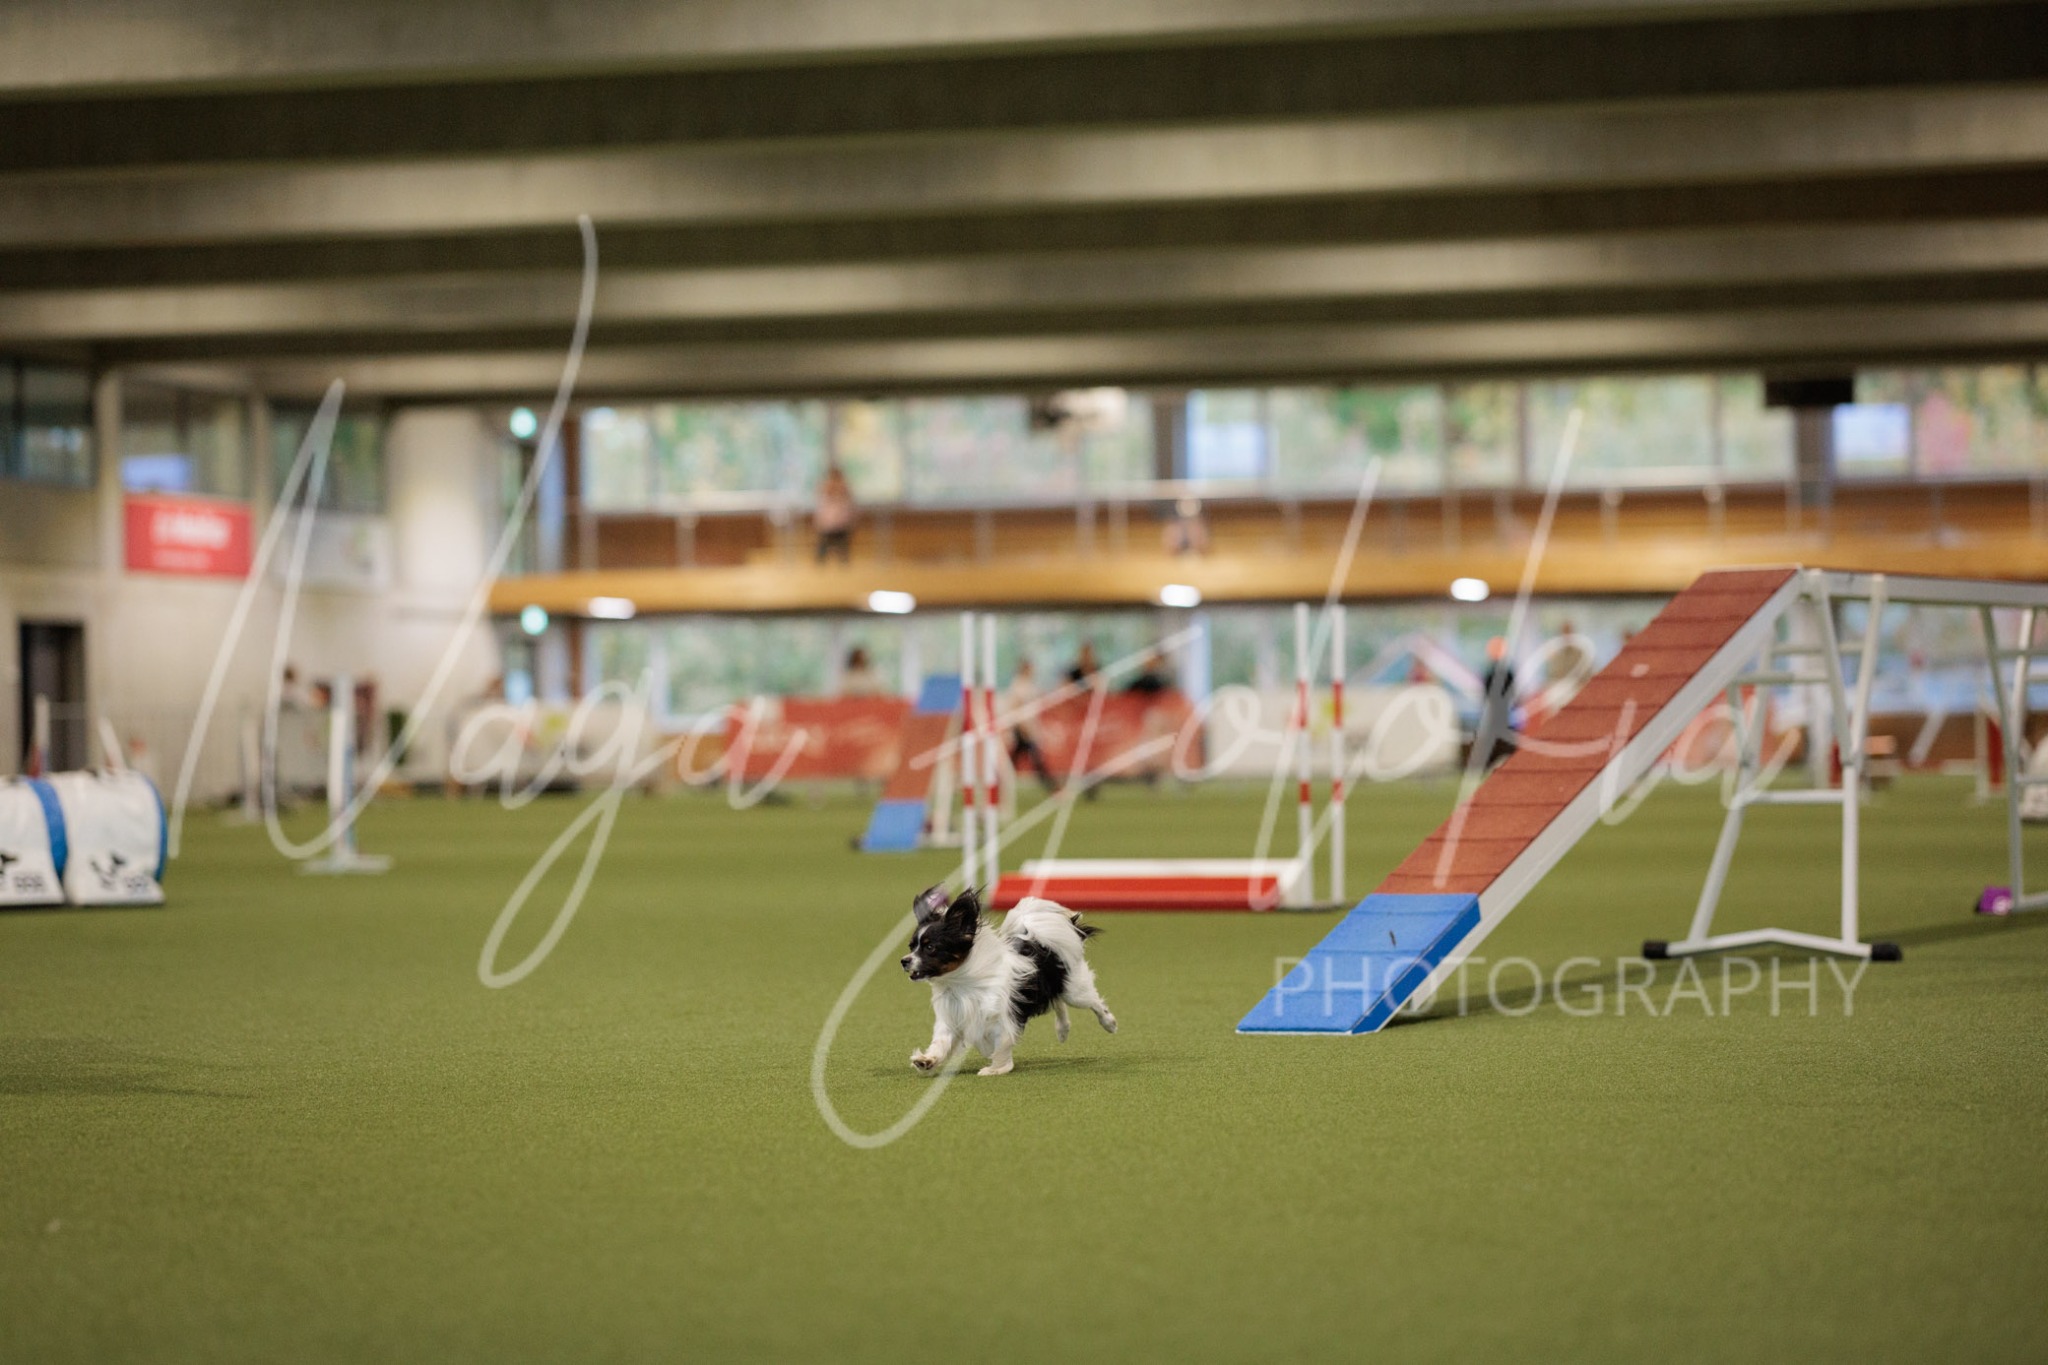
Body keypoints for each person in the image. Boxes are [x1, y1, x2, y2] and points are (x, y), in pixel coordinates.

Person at [1003, 660, 1053, 789]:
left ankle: (1001, 781)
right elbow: (1016, 707)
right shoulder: (1018, 685)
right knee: (1035, 758)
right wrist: (1022, 727)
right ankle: (1053, 787)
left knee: (1018, 758)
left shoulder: (1028, 685)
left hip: (1028, 727)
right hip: (1022, 728)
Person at [1475, 635, 1518, 770]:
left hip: (1500, 711)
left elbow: (1487, 694)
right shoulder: (1503, 672)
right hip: (1500, 711)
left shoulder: (1496, 673)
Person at [813, 466, 856, 564]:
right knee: (824, 545)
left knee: (842, 545)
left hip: (841, 523)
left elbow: (849, 507)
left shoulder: (845, 490)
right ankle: (821, 562)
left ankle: (843, 561)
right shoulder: (824, 489)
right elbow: (820, 508)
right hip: (828, 523)